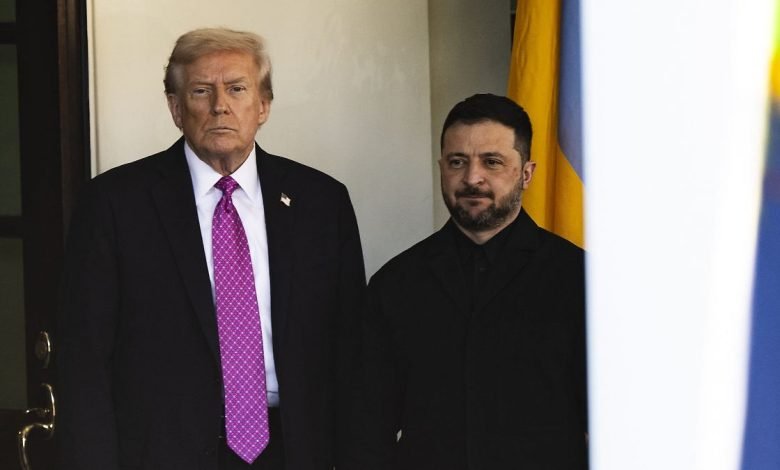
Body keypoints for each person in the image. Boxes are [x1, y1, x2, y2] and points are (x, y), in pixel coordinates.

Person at [57, 27, 366, 470]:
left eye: (237, 88)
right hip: (163, 453)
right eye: (201, 90)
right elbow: (84, 360)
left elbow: (351, 352)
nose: (221, 105)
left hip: (294, 450)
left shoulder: (322, 203)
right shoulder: (114, 204)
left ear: (263, 105)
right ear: (175, 108)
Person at [356, 94, 587, 469]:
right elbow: (368, 431)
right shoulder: (395, 284)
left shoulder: (579, 280)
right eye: (457, 162)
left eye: (492, 162)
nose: (471, 178)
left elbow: (615, 423)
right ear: (441, 168)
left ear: (526, 173)